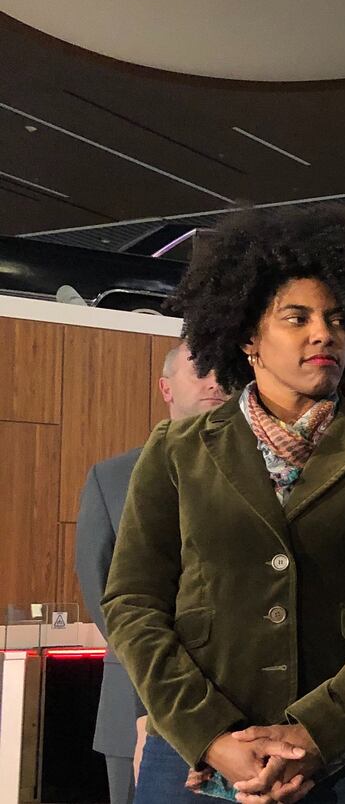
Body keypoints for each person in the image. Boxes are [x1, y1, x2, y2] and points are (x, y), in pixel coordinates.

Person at [102, 205, 345, 804]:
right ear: (248, 336)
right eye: (297, 317)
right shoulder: (177, 449)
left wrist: (317, 732)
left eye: (336, 319)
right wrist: (210, 734)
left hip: (343, 758)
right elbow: (133, 602)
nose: (323, 333)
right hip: (197, 759)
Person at [76, 342, 226, 804]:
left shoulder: (264, 476)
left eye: (226, 371)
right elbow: (104, 594)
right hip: (135, 702)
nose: (215, 380)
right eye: (200, 370)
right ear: (166, 387)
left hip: (233, 703)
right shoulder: (112, 477)